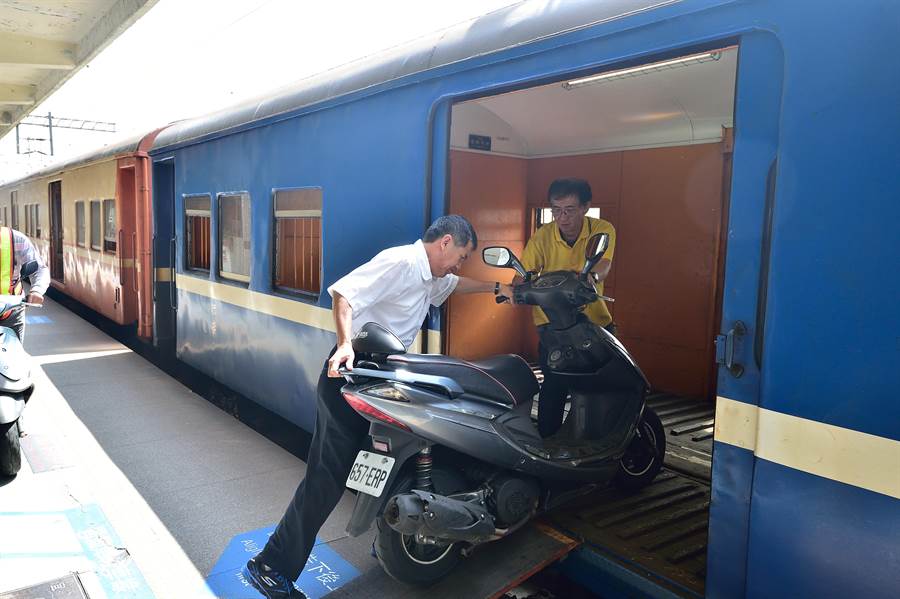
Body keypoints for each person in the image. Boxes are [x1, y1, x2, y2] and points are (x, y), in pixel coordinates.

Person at [244, 215, 512, 599]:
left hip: (382, 381)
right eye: (461, 256)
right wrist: (345, 343)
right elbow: (345, 295)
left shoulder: (432, 276)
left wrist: (498, 287)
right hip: (351, 375)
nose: (458, 265)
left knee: (385, 466)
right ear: (446, 243)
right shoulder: (401, 262)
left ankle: (386, 541)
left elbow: (456, 285)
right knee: (327, 478)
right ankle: (270, 565)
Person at [518, 178, 616, 438]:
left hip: (595, 324)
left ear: (585, 207)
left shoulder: (602, 229)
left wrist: (591, 278)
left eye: (570, 210)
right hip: (554, 326)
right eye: (556, 210)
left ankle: (602, 439)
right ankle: (548, 444)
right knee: (553, 386)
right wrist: (517, 287)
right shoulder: (542, 236)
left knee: (604, 385)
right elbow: (524, 274)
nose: (563, 218)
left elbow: (603, 265)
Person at [0, 226, 49, 342]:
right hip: (12, 311)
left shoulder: (16, 239)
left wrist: (37, 290)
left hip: (11, 312)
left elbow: (40, 269)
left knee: (12, 357)